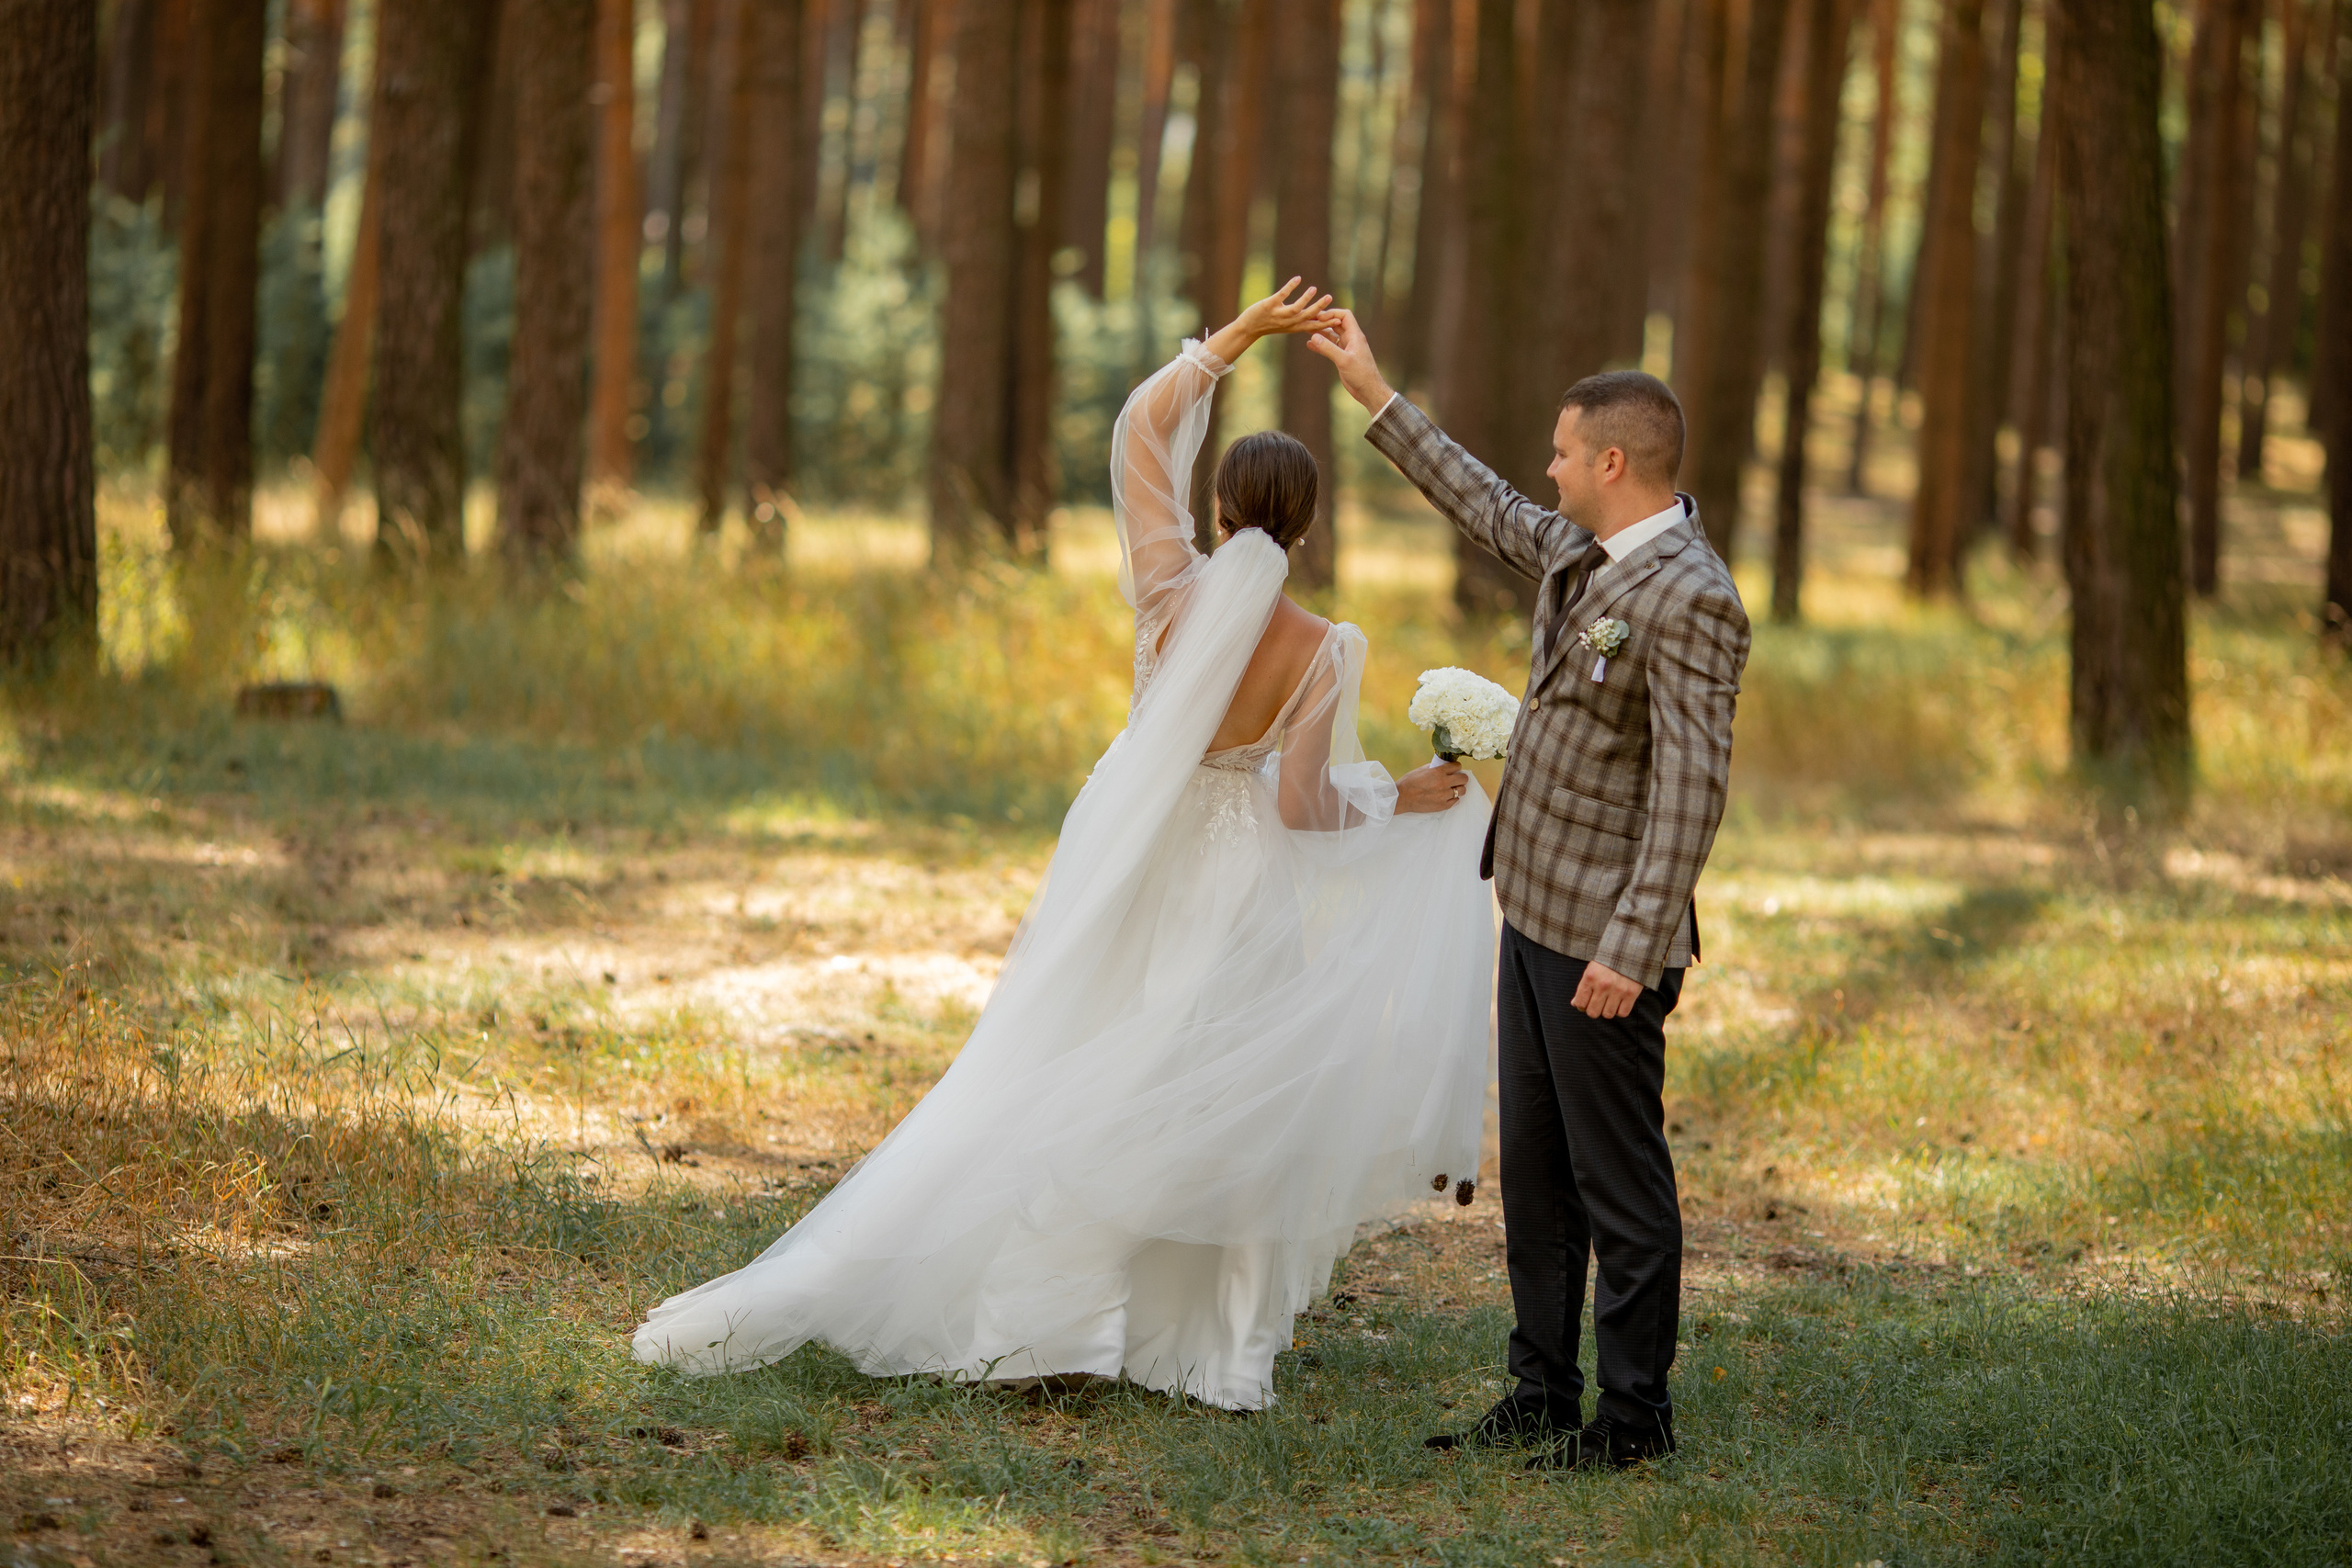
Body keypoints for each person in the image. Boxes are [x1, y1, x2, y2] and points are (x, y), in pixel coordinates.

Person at [634, 283, 1496, 1411]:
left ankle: (1047, 1327)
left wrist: (1228, 344)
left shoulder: (1167, 594)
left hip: (1135, 860)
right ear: (1309, 522)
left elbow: (1140, 431)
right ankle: (1210, 1359)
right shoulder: (1325, 648)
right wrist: (1394, 796)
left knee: (1082, 1059)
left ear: (1224, 507)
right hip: (1240, 884)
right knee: (1213, 1097)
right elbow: (1300, 808)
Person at [1310, 310, 1751, 1469]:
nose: (1545, 470)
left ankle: (1633, 1420)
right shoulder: (1579, 549)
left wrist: (1632, 945)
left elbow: (1690, 794)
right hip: (1530, 912)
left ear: (1613, 462)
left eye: (1562, 452)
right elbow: (1481, 501)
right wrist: (1373, 392)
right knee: (1539, 1179)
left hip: (1604, 943)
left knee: (1619, 1184)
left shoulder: (1691, 597)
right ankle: (1540, 1390)